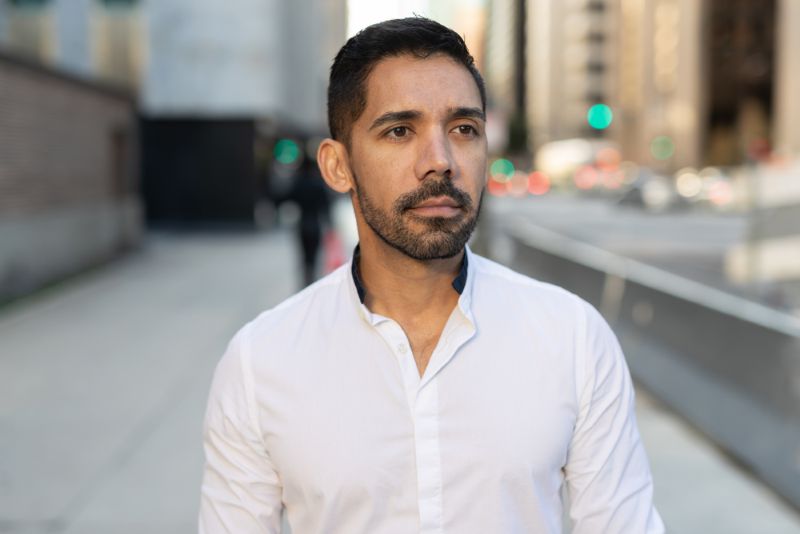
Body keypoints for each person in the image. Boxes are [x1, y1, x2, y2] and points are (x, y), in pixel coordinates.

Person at [199, 17, 665, 533]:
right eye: (400, 130)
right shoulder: (260, 362)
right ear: (338, 166)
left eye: (463, 129)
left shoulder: (573, 338)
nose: (439, 161)